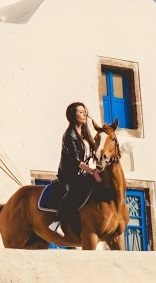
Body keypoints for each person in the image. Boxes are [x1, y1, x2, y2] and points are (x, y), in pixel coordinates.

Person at [48, 102, 102, 237]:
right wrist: (92, 171)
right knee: (77, 189)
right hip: (69, 175)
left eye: (85, 111)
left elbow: (91, 153)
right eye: (81, 112)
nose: (85, 114)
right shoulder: (69, 135)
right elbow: (76, 161)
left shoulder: (85, 134)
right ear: (73, 115)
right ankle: (57, 221)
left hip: (82, 173)